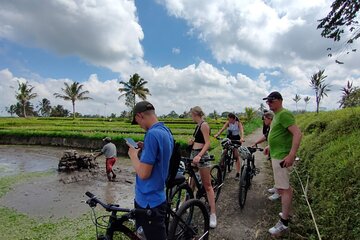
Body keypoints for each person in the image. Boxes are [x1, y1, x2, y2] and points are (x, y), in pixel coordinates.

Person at [127, 101, 174, 240]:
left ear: (140, 116)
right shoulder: (165, 131)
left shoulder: (152, 135)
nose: (140, 127)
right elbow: (161, 157)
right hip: (158, 196)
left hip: (148, 202)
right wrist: (146, 147)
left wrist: (133, 155)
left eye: (138, 122)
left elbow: (143, 173)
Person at [263, 91, 302, 236]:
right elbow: (278, 134)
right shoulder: (277, 116)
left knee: (284, 189)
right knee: (284, 187)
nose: (269, 103)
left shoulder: (284, 114)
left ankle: (284, 222)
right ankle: (286, 212)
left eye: (271, 101)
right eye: (268, 101)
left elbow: (297, 134)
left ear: (280, 100)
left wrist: (291, 154)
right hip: (277, 155)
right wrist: (269, 146)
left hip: (282, 157)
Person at [188, 106, 217, 228]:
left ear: (196, 114)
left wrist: (199, 155)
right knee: (191, 182)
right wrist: (192, 142)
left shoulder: (204, 125)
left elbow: (208, 143)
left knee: (208, 186)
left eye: (191, 114)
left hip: (201, 155)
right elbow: (198, 140)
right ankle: (188, 204)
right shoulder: (198, 125)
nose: (191, 116)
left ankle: (213, 214)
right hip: (194, 154)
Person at [252, 111, 280, 201]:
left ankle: (278, 193)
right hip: (273, 152)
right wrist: (256, 142)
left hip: (278, 153)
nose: (264, 121)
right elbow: (265, 136)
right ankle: (276, 187)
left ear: (269, 118)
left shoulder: (275, 127)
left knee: (278, 172)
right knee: (274, 171)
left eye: (264, 119)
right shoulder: (270, 127)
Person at [214, 113, 245, 180]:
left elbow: (242, 131)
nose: (228, 120)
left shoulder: (238, 123)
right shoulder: (228, 123)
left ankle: (238, 173)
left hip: (236, 139)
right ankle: (221, 165)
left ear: (233, 118)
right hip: (229, 138)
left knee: (236, 156)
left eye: (229, 118)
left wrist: (242, 138)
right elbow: (222, 129)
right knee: (224, 151)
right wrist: (217, 134)